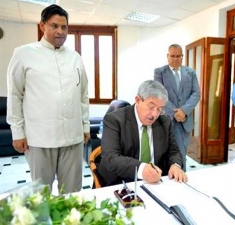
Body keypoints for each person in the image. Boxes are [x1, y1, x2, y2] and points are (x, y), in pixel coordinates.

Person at [6, 4, 90, 193]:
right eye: (54, 26)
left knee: (72, 193)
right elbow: (14, 95)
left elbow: (83, 94)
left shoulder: (75, 57)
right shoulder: (24, 54)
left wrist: (84, 126)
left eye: (64, 27)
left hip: (73, 137)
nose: (60, 31)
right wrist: (17, 132)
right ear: (42, 26)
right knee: (41, 194)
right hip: (40, 138)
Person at [98, 80, 187, 186]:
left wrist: (175, 165)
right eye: (151, 107)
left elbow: (174, 151)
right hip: (122, 182)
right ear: (138, 100)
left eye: (159, 109)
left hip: (155, 183)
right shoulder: (115, 120)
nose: (154, 114)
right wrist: (142, 169)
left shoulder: (164, 122)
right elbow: (110, 157)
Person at [154, 44, 200, 171]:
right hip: (166, 120)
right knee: (164, 153)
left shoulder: (190, 73)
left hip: (184, 120)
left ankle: (181, 179)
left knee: (181, 153)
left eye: (178, 56)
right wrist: (175, 112)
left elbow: (196, 93)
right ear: (167, 56)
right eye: (172, 56)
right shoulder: (160, 72)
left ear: (182, 56)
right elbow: (159, 93)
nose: (175, 59)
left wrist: (184, 111)